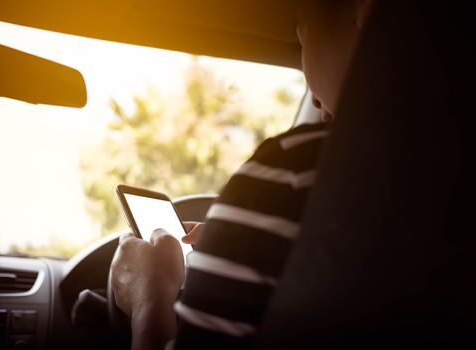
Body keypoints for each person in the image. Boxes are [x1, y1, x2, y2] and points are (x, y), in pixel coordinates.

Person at [110, 1, 376, 348]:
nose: (313, 102)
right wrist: (246, 244)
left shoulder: (298, 168)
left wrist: (148, 297)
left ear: (365, 12)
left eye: (302, 34)